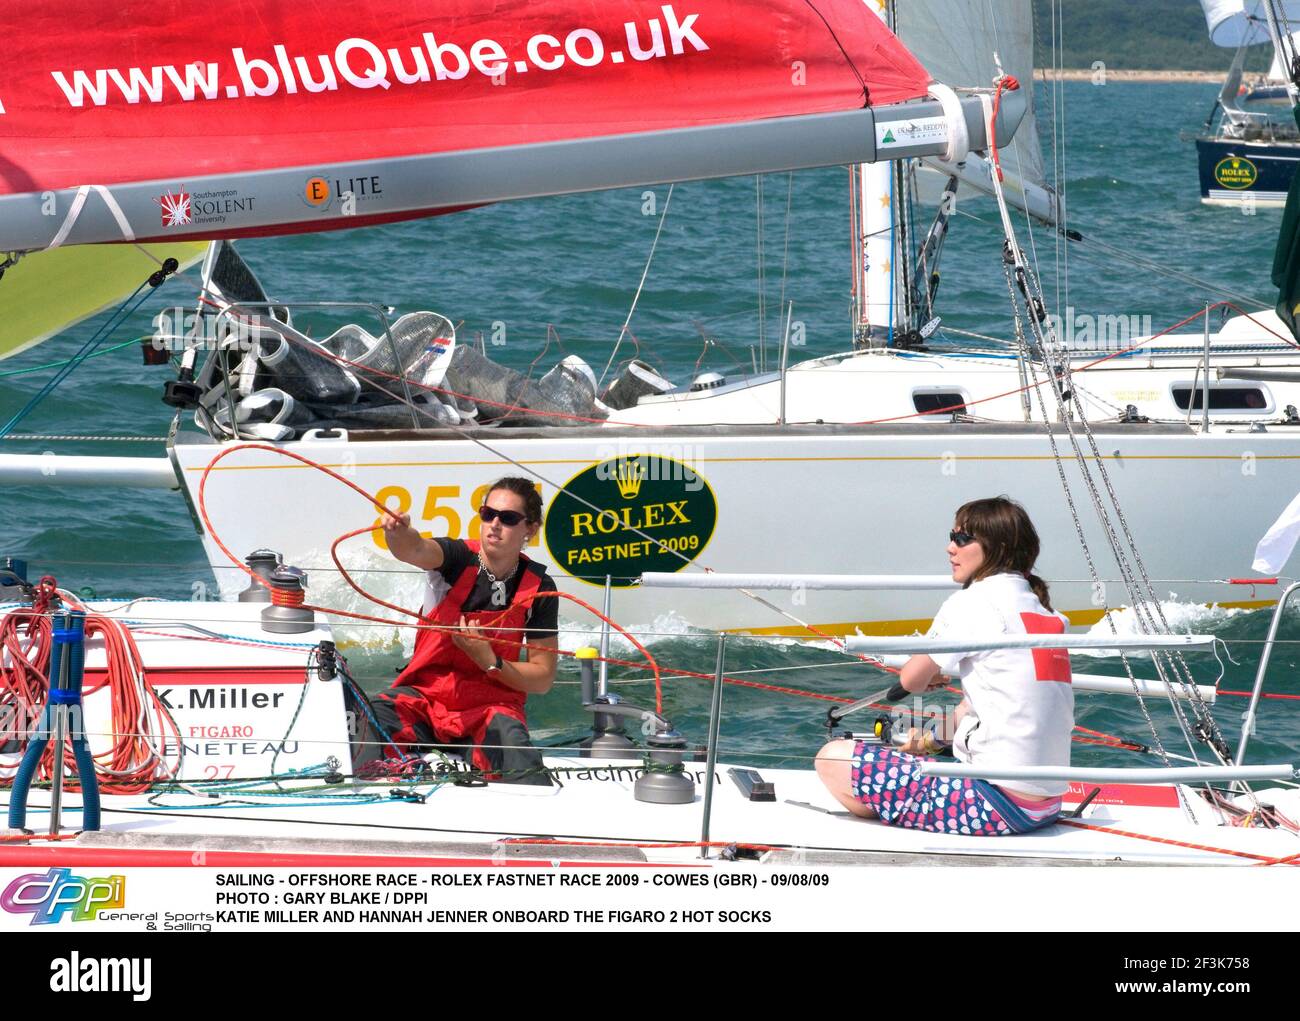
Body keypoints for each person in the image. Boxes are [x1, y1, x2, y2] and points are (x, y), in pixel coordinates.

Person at [815, 496, 1073, 835]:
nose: (950, 548)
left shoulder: (974, 601)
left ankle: (895, 819)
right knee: (952, 724)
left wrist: (925, 675)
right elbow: (982, 707)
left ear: (998, 547)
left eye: (962, 539)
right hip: (1044, 806)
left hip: (993, 807)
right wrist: (929, 743)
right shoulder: (1045, 612)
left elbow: (911, 679)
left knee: (832, 758)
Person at [352, 477, 559, 785]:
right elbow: (417, 549)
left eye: (508, 518)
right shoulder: (456, 558)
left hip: (489, 708)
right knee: (372, 718)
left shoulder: (539, 588)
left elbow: (542, 678)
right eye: (488, 514)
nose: (494, 524)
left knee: (522, 764)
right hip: (425, 700)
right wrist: (398, 533)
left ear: (530, 529)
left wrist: (490, 661)